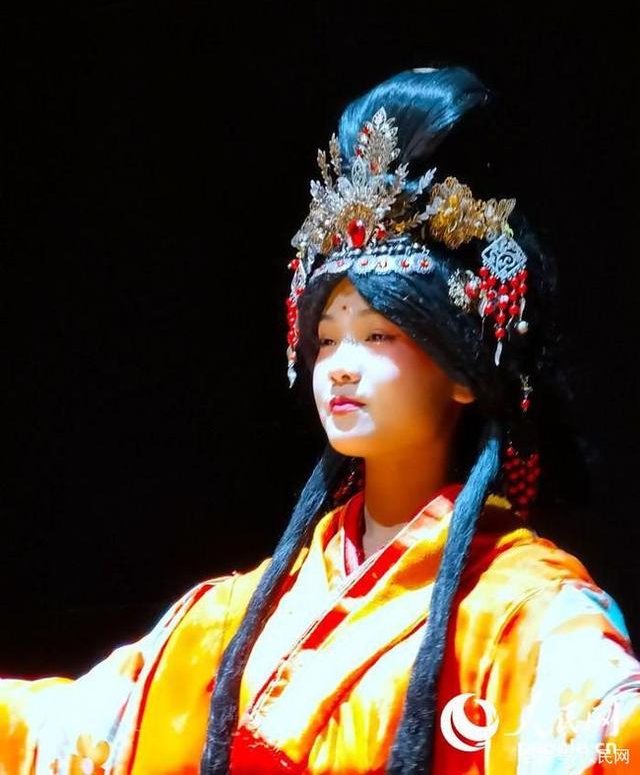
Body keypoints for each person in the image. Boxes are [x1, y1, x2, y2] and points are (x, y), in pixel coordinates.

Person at [1, 68, 639, 774]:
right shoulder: (239, 614)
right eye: (327, 339)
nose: (339, 366)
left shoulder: (522, 613)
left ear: (463, 371)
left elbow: (609, 741)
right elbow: (69, 737)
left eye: (378, 335)